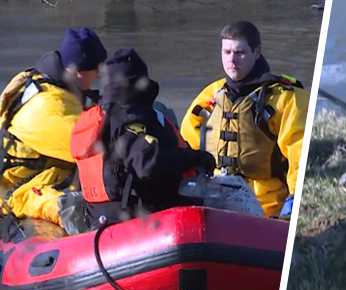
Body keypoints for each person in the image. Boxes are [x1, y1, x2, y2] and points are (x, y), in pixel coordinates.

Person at [72, 48, 216, 230]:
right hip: (136, 220)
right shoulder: (132, 117)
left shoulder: (95, 118)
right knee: (212, 210)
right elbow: (146, 164)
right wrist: (196, 158)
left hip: (99, 219)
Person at [180, 21, 309, 218]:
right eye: (227, 52)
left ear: (257, 52)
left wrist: (296, 198)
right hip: (217, 197)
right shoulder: (212, 95)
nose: (232, 60)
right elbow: (186, 139)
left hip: (267, 206)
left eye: (239, 53)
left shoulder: (286, 98)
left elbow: (299, 152)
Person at [0, 27, 106, 235]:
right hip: (16, 192)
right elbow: (91, 150)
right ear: (78, 72)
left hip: (39, 170)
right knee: (77, 198)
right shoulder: (48, 108)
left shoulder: (46, 83)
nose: (99, 75)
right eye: (96, 70)